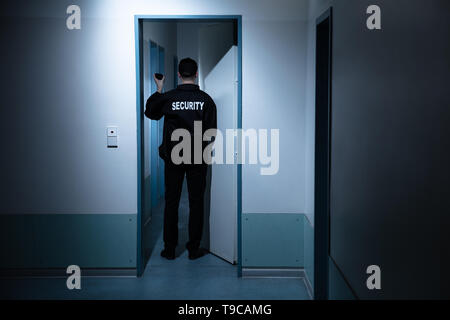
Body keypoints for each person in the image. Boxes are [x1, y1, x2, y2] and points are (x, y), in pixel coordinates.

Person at [145, 58, 217, 260]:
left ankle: (169, 249)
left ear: (178, 74)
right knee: (196, 203)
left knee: (171, 202)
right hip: (197, 158)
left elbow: (150, 111)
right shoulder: (206, 100)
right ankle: (193, 249)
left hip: (173, 158)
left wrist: (159, 89)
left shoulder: (169, 97)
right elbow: (211, 132)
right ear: (196, 74)